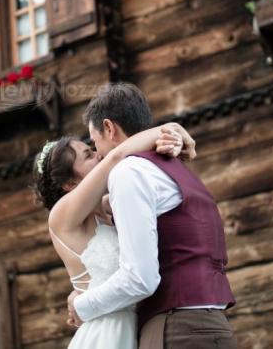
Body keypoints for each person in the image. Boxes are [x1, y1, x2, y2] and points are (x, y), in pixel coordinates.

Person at [67, 82, 237, 349]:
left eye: (94, 140)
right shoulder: (174, 168)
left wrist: (82, 305)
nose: (98, 153)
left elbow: (140, 279)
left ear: (109, 128)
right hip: (213, 324)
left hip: (177, 328)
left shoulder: (128, 172)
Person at [32, 121, 195, 349]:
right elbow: (117, 157)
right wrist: (170, 127)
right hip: (106, 334)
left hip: (141, 327)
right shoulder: (61, 217)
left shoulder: (109, 206)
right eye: (88, 155)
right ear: (69, 183)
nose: (99, 155)